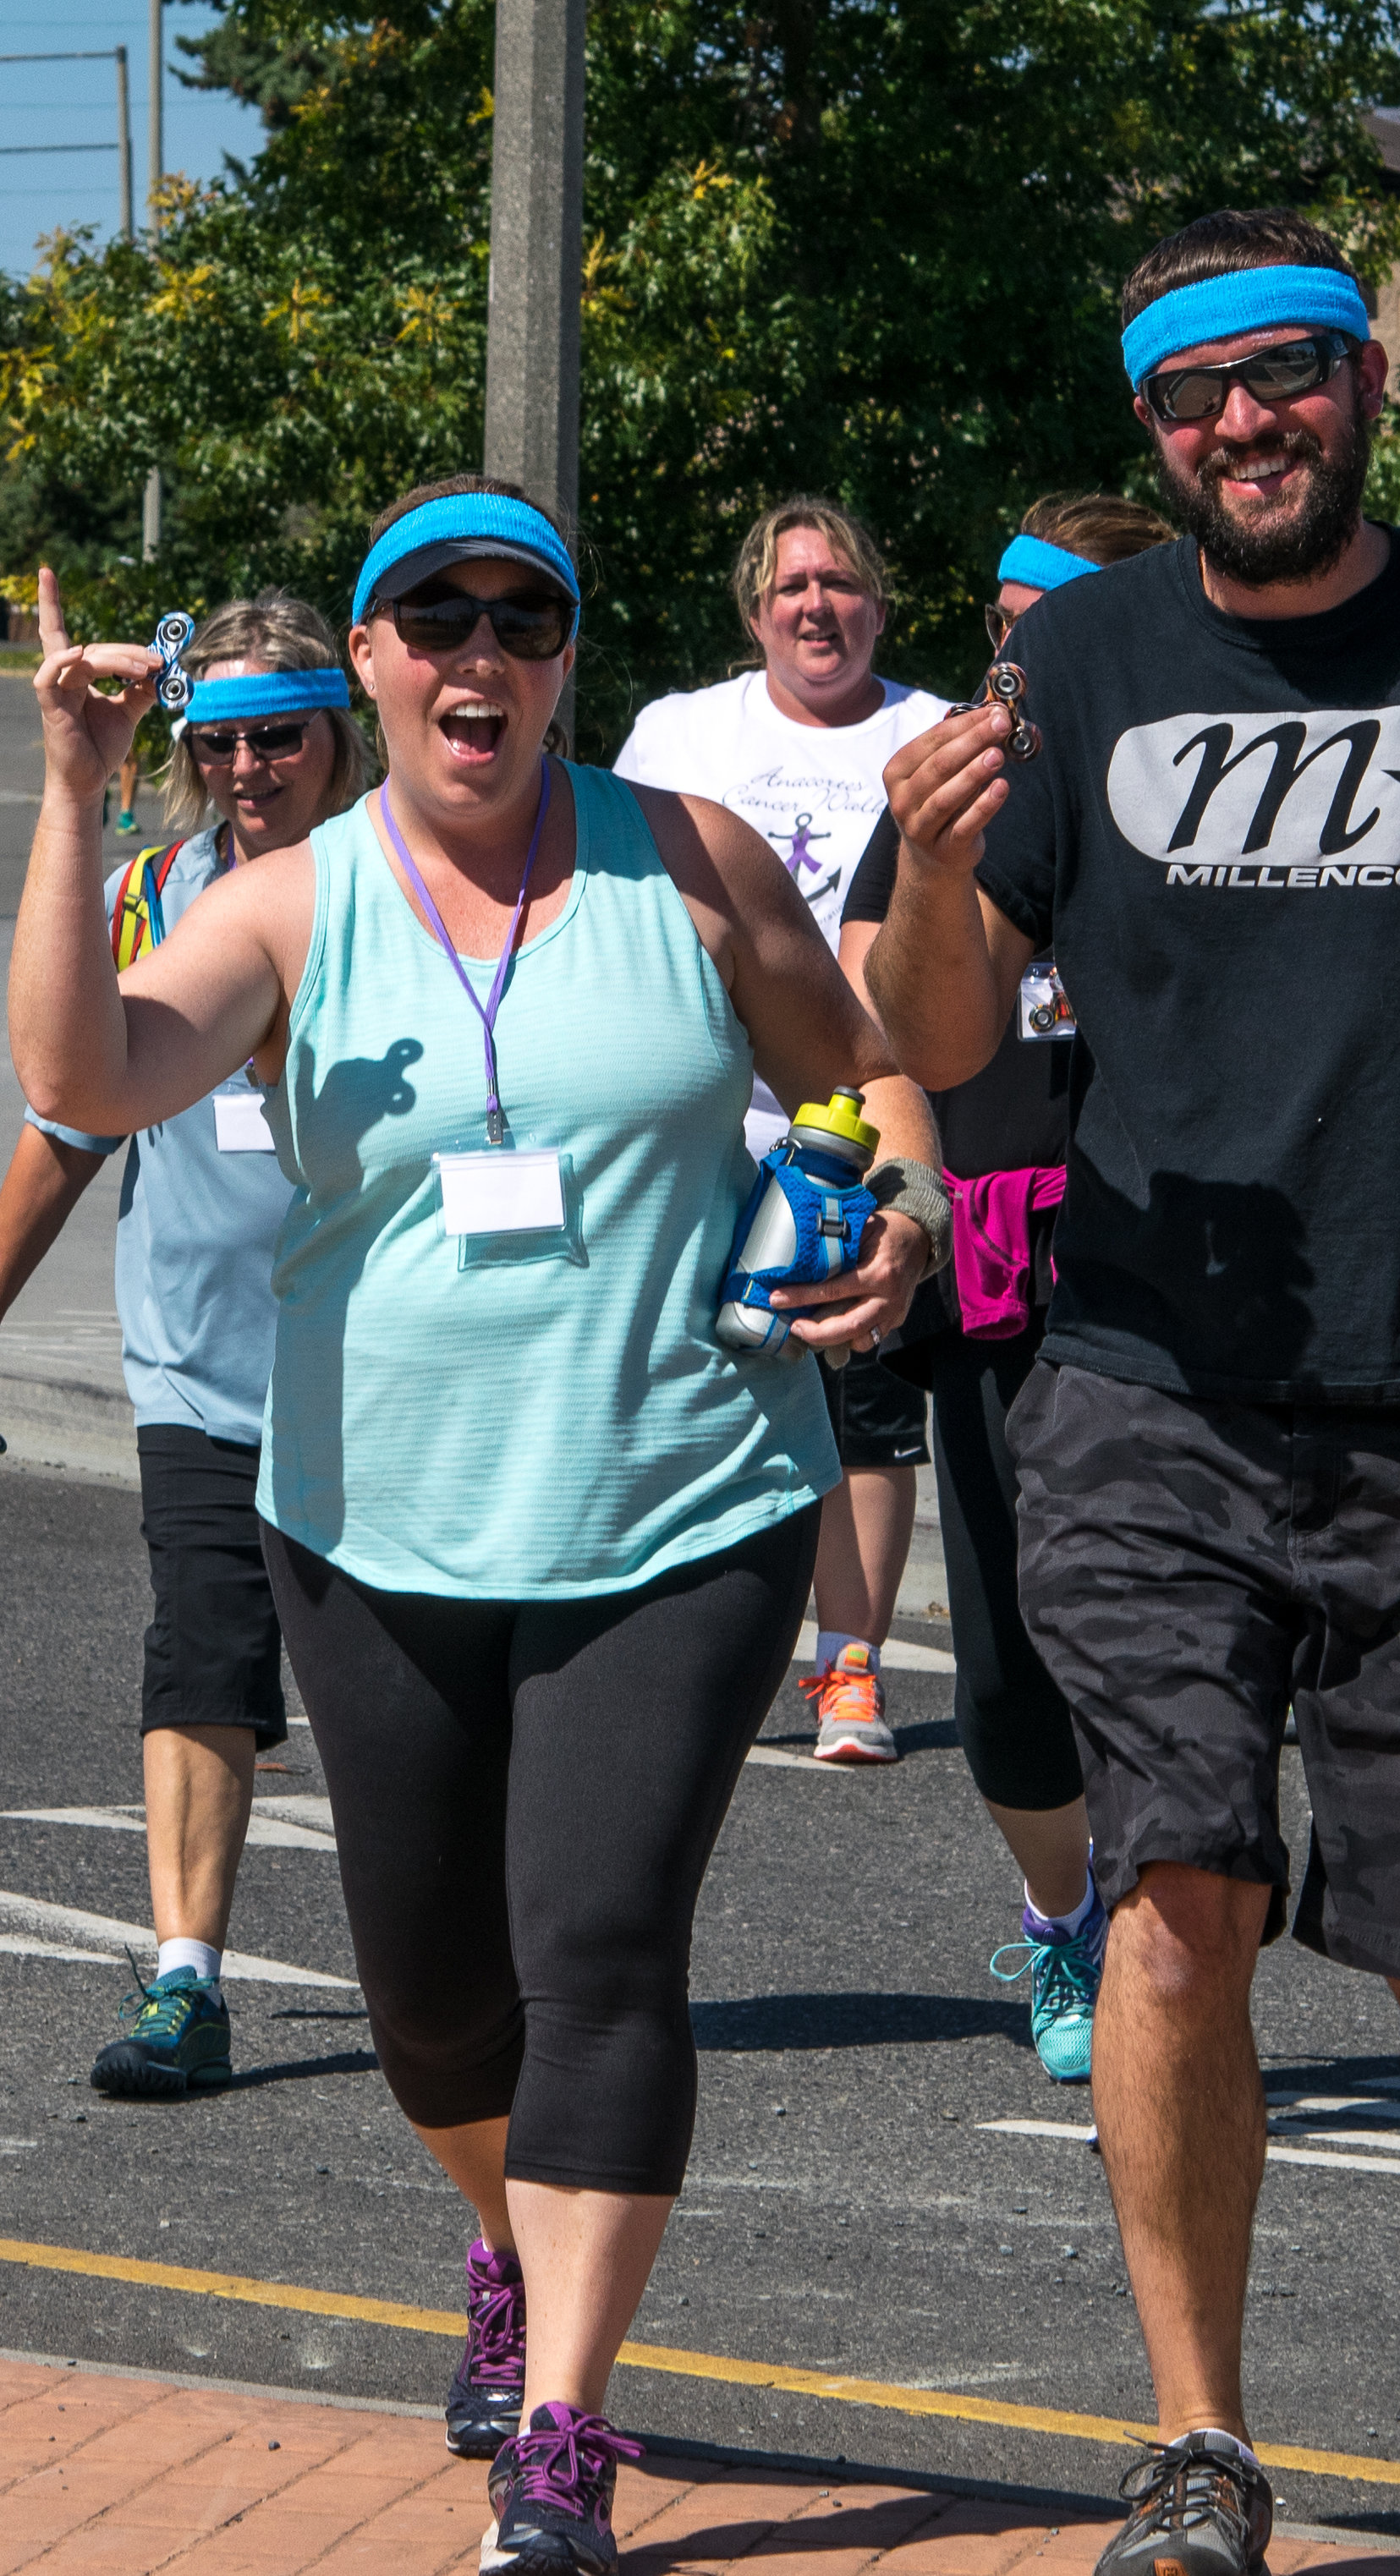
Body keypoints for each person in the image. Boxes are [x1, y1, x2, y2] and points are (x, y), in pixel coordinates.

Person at [865, 208, 1400, 2568]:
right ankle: (1198, 2438)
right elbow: (947, 1037)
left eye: (1286, 371)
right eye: (1193, 391)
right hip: (1138, 1381)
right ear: (1152, 425)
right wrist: (933, 874)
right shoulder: (1090, 663)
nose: (1245, 419)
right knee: (1173, 1894)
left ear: (1360, 381)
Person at [13, 477, 947, 2576]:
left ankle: (565, 2436)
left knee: (600, 1953)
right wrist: (73, 798)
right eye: (430, 618)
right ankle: (504, 2240)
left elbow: (863, 1070)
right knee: (435, 2005)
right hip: (375, 1516)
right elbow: (80, 1066)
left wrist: (903, 1212)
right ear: (370, 661)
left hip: (682, 1495)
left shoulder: (682, 858)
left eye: (520, 620)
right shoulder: (287, 899)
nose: (476, 655)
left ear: (559, 664)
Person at [0, 595, 369, 2097]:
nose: (246, 768)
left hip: (392, 1383)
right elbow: (66, 1132)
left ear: (342, 735)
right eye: (216, 740)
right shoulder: (152, 900)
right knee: (201, 1656)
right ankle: (185, 1978)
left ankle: (489, 1977)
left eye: (278, 735)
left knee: (415, 1688)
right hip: (200, 1371)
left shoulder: (413, 891)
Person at [839, 491, 1172, 2083]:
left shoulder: (1189, 792)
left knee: (1173, 1634)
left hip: (1169, 1269)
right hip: (986, 1262)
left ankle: (1176, 1941)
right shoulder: (939, 797)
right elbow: (864, 1016)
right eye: (1021, 623)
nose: (1042, 656)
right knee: (1009, 1654)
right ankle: (1061, 1915)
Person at [616, 501, 947, 1765]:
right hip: (707, 1119)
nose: (820, 604)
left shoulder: (934, 734)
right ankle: (665, 1643)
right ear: (756, 611)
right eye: (793, 585)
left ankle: (849, 1664)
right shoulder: (682, 733)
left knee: (861, 1394)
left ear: (879, 602)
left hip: (866, 1114)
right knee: (686, 1386)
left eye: (844, 582)